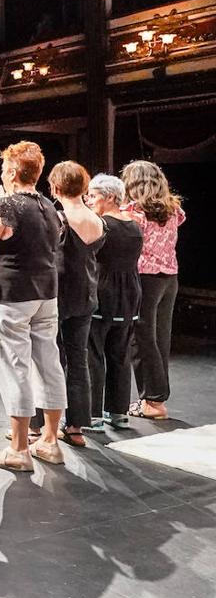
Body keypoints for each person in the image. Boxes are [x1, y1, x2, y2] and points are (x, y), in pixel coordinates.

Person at [0, 141, 68, 471]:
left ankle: (18, 448)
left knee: (14, 365)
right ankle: (50, 441)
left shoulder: (8, 205)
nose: (2, 172)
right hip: (46, 292)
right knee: (48, 363)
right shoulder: (47, 205)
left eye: (4, 168)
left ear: (14, 172)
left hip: (12, 294)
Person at [32, 161, 106, 448]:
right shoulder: (97, 218)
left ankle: (38, 425)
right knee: (78, 361)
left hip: (58, 295)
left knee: (47, 361)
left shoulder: (58, 217)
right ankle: (75, 427)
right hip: (87, 293)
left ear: (55, 187)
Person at [121, 160, 185, 420]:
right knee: (160, 338)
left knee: (142, 339)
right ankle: (156, 397)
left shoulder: (134, 212)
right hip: (170, 278)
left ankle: (153, 401)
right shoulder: (173, 209)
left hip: (146, 278)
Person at [84, 174, 143, 430]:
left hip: (103, 292)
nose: (89, 201)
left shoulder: (101, 225)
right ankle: (118, 412)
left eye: (93, 196)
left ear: (110, 197)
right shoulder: (135, 225)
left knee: (94, 353)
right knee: (120, 353)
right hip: (130, 293)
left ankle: (92, 414)